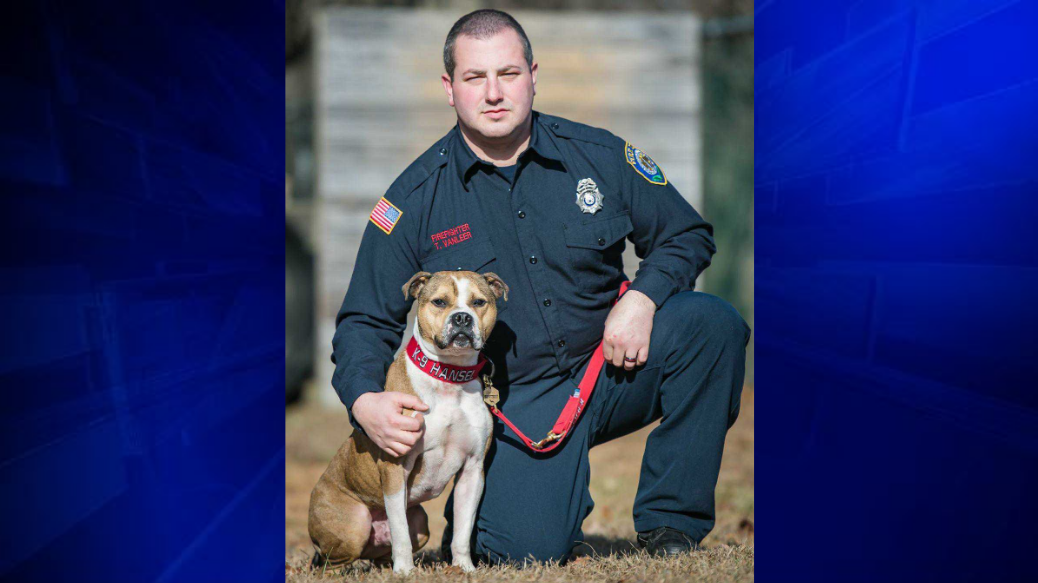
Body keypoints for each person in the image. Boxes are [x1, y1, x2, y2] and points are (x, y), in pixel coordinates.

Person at [330, 8, 750, 565]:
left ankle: (672, 524)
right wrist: (365, 400)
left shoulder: (598, 155)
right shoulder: (414, 200)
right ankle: (527, 505)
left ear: (533, 75)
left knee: (711, 324)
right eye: (474, 77)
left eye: (508, 73)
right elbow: (363, 320)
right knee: (523, 549)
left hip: (614, 364)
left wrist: (643, 299)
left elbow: (686, 234)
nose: (493, 93)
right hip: (516, 403)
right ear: (449, 89)